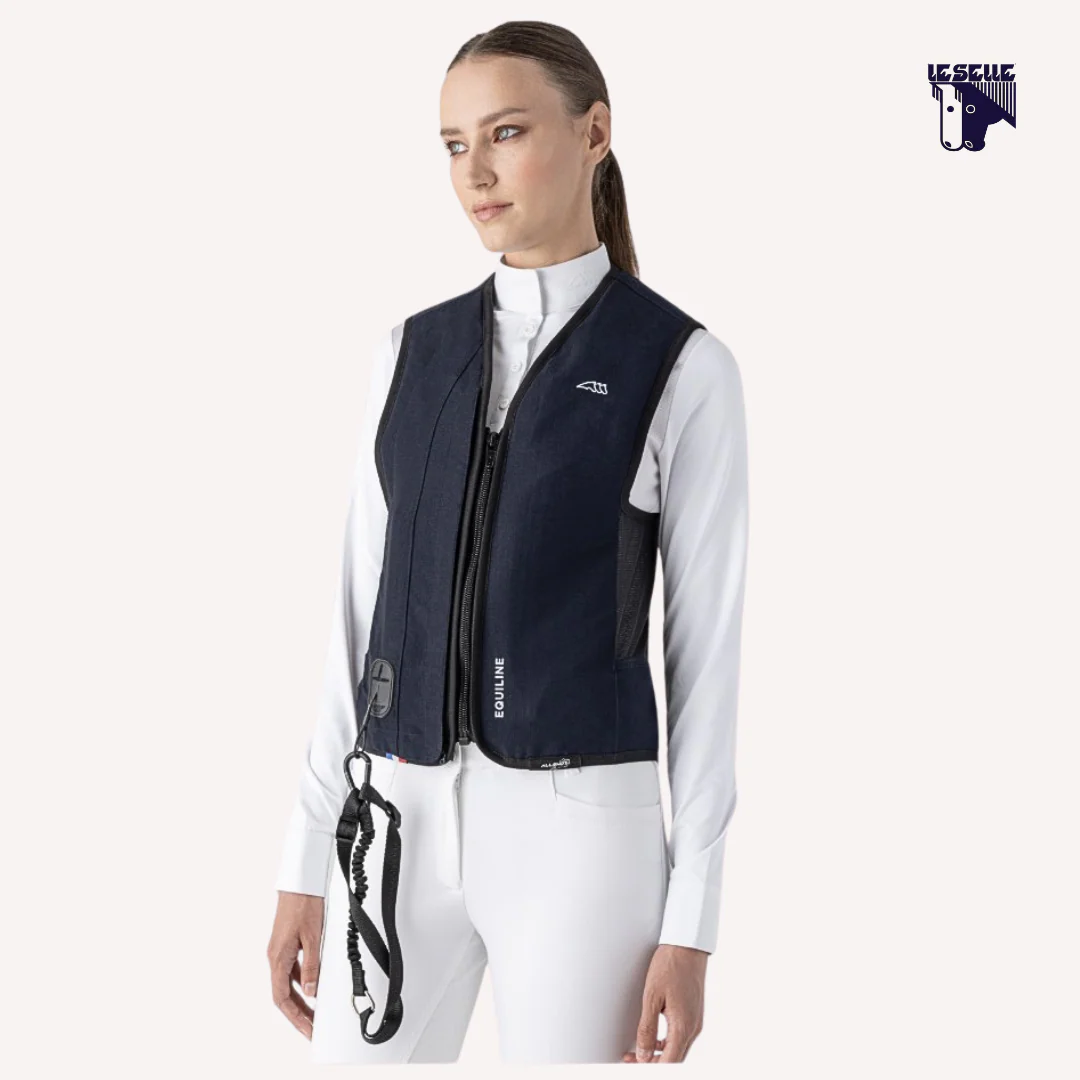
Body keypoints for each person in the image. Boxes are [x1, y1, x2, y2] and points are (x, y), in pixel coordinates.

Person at [266, 20, 749, 1065]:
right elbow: (357, 614)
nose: (474, 172)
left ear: (595, 133)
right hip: (395, 815)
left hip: (583, 834)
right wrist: (305, 855)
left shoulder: (679, 366)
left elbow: (705, 659)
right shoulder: (410, 353)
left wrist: (694, 919)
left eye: (507, 132)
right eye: (453, 144)